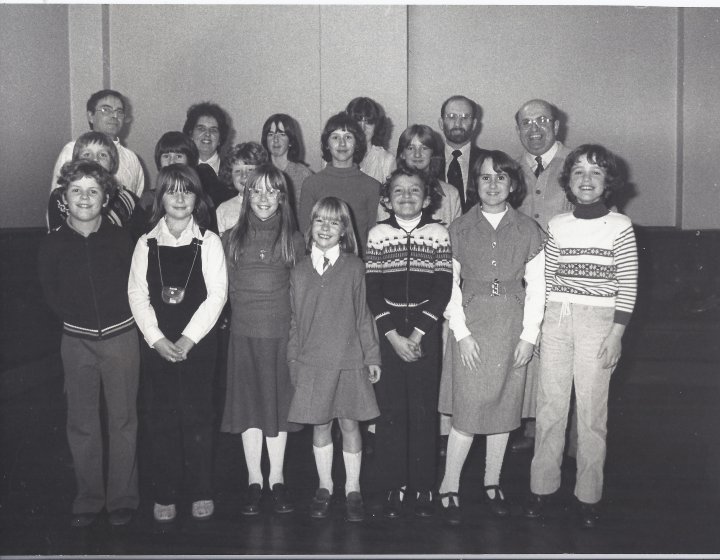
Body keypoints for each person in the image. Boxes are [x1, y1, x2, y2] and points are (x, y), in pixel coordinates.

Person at [524, 144, 637, 529]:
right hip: (557, 319)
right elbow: (547, 280)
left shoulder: (620, 227)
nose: (586, 180)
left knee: (591, 414)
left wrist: (616, 334)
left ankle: (588, 495)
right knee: (550, 407)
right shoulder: (556, 224)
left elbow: (627, 285)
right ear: (568, 182)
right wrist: (540, 326)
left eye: (595, 173)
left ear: (608, 182)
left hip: (600, 322)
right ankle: (543, 488)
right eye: (578, 173)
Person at [437, 151, 546, 526]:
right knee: (468, 410)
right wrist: (462, 333)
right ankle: (449, 484)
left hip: (512, 326)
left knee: (503, 406)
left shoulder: (529, 230)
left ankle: (492, 482)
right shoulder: (459, 228)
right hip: (471, 324)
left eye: (501, 178)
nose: (493, 184)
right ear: (476, 184)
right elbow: (448, 284)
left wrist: (529, 336)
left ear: (513, 185)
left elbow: (538, 288)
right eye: (485, 177)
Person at [38, 160, 140, 528]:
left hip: (121, 338)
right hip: (76, 341)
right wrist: (75, 321)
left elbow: (135, 286)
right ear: (64, 198)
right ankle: (89, 497)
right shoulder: (53, 245)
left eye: (93, 191)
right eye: (76, 191)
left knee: (123, 418)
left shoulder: (120, 239)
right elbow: (50, 293)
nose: (85, 198)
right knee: (81, 421)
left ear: (105, 198)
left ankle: (123, 498)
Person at [128, 164, 227, 523]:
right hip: (158, 345)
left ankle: (201, 489)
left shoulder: (210, 242)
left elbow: (216, 296)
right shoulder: (146, 243)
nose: (180, 198)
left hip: (197, 343)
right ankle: (165, 491)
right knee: (160, 418)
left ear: (197, 197)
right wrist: (156, 339)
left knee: (199, 416)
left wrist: (187, 339)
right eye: (172, 191)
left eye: (188, 191)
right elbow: (137, 295)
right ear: (160, 198)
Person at [364, 164, 452, 519]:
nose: (406, 196)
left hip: (424, 334)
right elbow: (372, 292)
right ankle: (394, 484)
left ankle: (422, 486)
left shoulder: (438, 234)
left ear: (427, 198)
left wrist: (416, 334)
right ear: (387, 199)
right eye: (398, 191)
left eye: (414, 190)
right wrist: (394, 338)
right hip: (389, 335)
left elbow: (442, 289)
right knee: (391, 412)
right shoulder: (377, 234)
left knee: (422, 411)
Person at [287, 197, 381, 523]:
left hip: (349, 359)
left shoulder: (355, 267)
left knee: (350, 423)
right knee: (320, 425)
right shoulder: (298, 271)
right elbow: (295, 322)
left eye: (334, 222)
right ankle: (324, 485)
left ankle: (352, 488)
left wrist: (372, 356)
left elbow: (363, 316)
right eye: (319, 221)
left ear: (344, 230)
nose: (326, 228)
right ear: (310, 227)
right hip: (312, 362)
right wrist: (293, 361)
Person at [220, 164, 305, 516]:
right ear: (246, 195)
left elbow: (301, 294)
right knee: (250, 407)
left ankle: (278, 478)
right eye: (257, 190)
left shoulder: (295, 240)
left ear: (283, 197)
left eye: (272, 191)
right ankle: (255, 478)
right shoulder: (230, 237)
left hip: (279, 336)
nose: (264, 198)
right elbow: (223, 290)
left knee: (276, 407)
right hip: (243, 334)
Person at [511, 99, 575, 454]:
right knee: (530, 349)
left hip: (566, 279)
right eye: (525, 123)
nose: (534, 129)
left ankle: (565, 441)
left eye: (542, 121)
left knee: (563, 357)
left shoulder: (578, 164)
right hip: (521, 278)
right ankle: (533, 428)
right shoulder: (509, 167)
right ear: (517, 128)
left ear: (557, 126)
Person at [298, 112, 381, 256]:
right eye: (335, 137)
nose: (342, 143)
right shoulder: (311, 184)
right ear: (327, 144)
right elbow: (305, 233)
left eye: (348, 137)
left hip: (357, 266)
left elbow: (373, 236)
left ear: (356, 144)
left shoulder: (372, 186)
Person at [48, 132, 145, 239]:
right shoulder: (61, 196)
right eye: (87, 154)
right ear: (76, 161)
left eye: (102, 155)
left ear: (112, 164)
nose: (95, 159)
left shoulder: (128, 199)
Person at [50, 89, 145, 197]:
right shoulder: (73, 149)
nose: (114, 116)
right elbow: (57, 201)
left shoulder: (131, 158)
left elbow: (135, 201)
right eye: (106, 110)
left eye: (119, 111)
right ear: (91, 116)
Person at [183, 101, 235, 207]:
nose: (207, 134)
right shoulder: (180, 169)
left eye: (213, 130)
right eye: (201, 129)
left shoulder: (234, 172)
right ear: (190, 134)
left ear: (220, 139)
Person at [438, 95, 484, 213]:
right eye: (451, 117)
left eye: (465, 117)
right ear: (441, 123)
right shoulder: (427, 161)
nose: (458, 123)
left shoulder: (488, 161)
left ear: (474, 124)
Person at [261, 113, 313, 216]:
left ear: (291, 141)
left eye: (282, 134)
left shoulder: (303, 175)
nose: (275, 140)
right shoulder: (259, 172)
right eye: (271, 134)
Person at [216, 142, 268, 235]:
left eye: (250, 170)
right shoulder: (223, 209)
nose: (244, 176)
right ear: (229, 175)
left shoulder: (269, 204)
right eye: (238, 171)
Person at [140, 131, 200, 212]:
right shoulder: (148, 199)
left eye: (178, 156)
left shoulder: (200, 199)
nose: (172, 162)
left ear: (189, 161)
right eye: (166, 156)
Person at [346, 97, 396, 184]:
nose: (362, 128)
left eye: (368, 122)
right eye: (358, 121)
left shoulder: (387, 160)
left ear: (376, 126)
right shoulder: (337, 156)